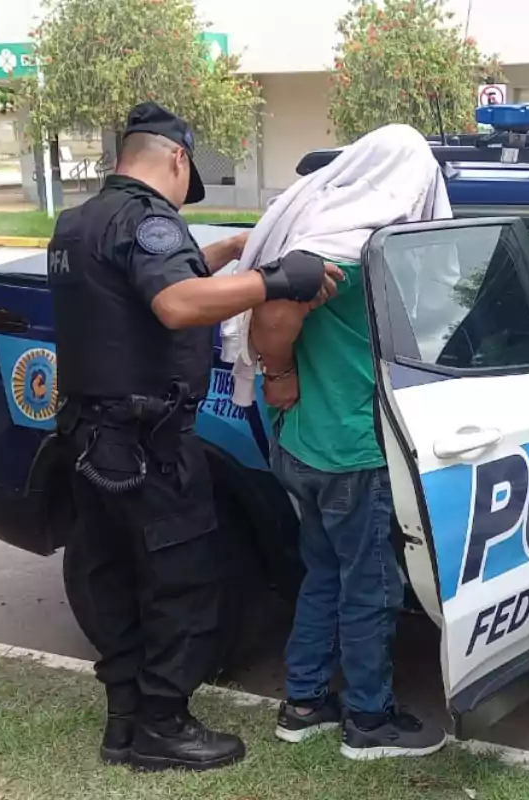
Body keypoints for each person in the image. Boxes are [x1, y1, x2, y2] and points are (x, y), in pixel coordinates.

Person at [48, 101, 342, 772]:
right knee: (180, 581)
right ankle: (163, 726)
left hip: (89, 440)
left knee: (111, 576)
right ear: (177, 158)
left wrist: (231, 251)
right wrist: (273, 278)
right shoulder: (149, 220)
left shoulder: (79, 223)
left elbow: (145, 284)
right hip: (148, 445)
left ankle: (125, 720)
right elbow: (175, 303)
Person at [219, 124, 452, 760]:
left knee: (324, 573)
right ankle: (369, 720)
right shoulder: (351, 247)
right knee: (370, 586)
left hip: (304, 444)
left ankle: (304, 702)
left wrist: (284, 379)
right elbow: (274, 314)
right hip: (352, 450)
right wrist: (282, 370)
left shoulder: (320, 227)